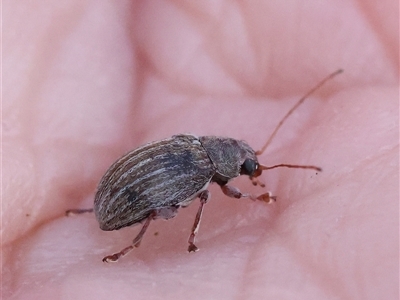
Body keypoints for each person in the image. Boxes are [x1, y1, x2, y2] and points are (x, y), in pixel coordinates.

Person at [3, 1, 398, 299]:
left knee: (175, 203)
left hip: (121, 184)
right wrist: (252, 201)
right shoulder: (202, 173)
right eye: (247, 165)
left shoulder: (194, 145)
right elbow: (215, 195)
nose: (250, 168)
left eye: (247, 163)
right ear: (228, 161)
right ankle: (131, 246)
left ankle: (98, 211)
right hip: (122, 200)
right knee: (173, 208)